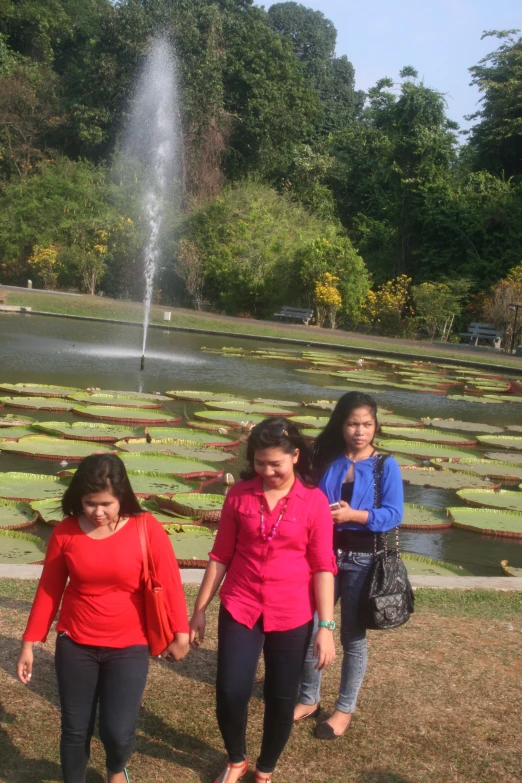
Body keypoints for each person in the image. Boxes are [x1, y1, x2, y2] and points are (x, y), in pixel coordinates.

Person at [17, 453, 190, 783]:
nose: (98, 512)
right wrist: (29, 643)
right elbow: (49, 591)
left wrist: (180, 632)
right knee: (74, 728)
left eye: (106, 504)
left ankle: (115, 768)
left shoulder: (146, 528)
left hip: (129, 645)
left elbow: (169, 583)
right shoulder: (66, 532)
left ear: (122, 496)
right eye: (89, 503)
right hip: (75, 643)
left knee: (117, 730)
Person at [189, 418, 336, 783]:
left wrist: (326, 626)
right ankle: (236, 758)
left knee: (281, 698)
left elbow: (322, 567)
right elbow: (220, 555)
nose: (267, 472)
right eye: (259, 463)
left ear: (296, 456)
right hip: (241, 603)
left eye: (276, 464)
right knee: (230, 689)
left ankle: (265, 768)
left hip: (293, 612)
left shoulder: (314, 502)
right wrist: (199, 610)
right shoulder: (238, 495)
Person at [293, 391, 403, 739]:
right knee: (311, 626)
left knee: (353, 637)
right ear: (341, 425)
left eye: (367, 424)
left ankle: (343, 709)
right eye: (353, 423)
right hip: (323, 555)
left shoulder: (386, 464)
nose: (360, 431)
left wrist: (354, 515)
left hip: (364, 558)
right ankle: (309, 697)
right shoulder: (327, 459)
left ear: (375, 426)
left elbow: (394, 513)